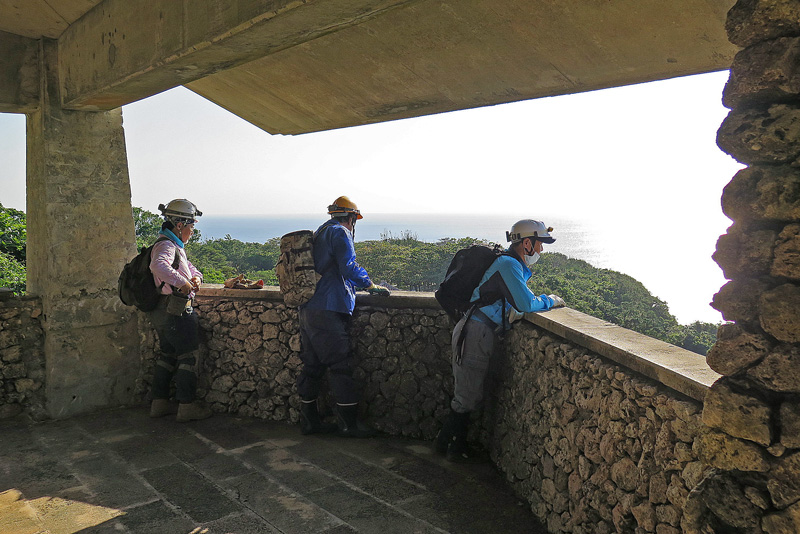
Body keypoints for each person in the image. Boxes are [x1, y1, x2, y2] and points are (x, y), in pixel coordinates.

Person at [435, 219, 566, 462]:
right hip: (476, 332)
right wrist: (550, 300)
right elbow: (526, 303)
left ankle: (444, 443)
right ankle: (455, 450)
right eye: (539, 244)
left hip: (475, 329)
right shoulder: (508, 265)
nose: (541, 250)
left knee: (466, 392)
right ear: (527, 243)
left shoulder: (508, 264)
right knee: (467, 396)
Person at [297, 196, 390, 437]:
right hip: (329, 307)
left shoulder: (321, 231)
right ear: (351, 218)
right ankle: (348, 424)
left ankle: (309, 421)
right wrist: (370, 285)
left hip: (308, 307)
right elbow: (348, 266)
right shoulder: (340, 233)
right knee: (340, 366)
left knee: (312, 366)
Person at [147, 199, 212, 423]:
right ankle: (186, 406)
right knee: (188, 357)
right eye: (191, 226)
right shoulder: (166, 246)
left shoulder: (173, 246)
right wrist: (183, 283)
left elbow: (190, 267)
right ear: (179, 225)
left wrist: (195, 277)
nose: (192, 231)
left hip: (162, 310)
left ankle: (159, 403)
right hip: (176, 309)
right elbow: (158, 266)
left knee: (167, 355)